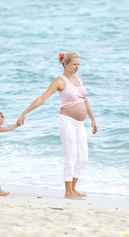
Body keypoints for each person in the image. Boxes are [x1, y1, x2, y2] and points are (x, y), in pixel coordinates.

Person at [17, 52, 98, 200]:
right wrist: (25, 113)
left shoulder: (79, 79)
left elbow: (85, 100)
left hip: (80, 124)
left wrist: (92, 119)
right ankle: (68, 193)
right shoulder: (59, 82)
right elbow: (42, 98)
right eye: (74, 64)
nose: (77, 67)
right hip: (67, 122)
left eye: (79, 64)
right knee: (71, 156)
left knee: (83, 158)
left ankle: (73, 189)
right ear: (65, 64)